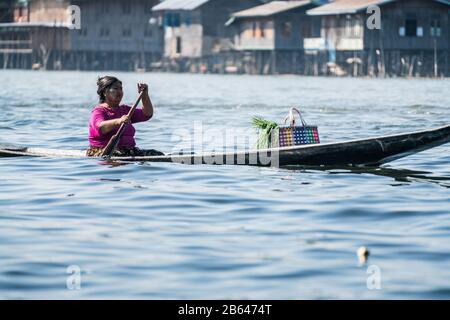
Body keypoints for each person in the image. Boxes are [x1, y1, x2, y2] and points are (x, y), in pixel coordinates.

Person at [87, 76, 164, 157]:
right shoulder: (98, 111)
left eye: (121, 88)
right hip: (102, 151)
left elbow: (147, 114)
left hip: (128, 150)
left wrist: (144, 95)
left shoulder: (125, 110)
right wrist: (119, 121)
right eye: (116, 88)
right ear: (105, 92)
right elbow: (100, 127)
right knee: (119, 155)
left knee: (157, 154)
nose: (119, 91)